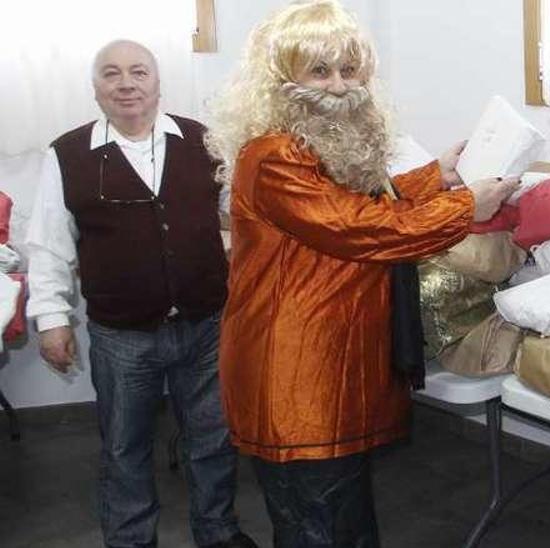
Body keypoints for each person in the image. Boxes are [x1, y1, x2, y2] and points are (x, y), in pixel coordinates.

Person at [204, 1, 517, 545]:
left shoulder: (315, 147)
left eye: (350, 70)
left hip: (329, 366)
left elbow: (363, 200)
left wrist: (434, 176)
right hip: (294, 373)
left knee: (345, 522)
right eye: (319, 71)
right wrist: (466, 207)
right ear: (282, 79)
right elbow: (358, 226)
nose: (340, 86)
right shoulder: (273, 155)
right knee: (316, 528)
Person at [26, 40, 256, 548]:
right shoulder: (67, 154)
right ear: (96, 88)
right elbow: (48, 244)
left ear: (157, 82)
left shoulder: (206, 141)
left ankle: (218, 532)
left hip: (206, 327)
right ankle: (130, 539)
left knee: (213, 441)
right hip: (122, 337)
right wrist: (52, 320)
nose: (126, 83)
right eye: (112, 73)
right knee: (125, 449)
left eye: (138, 72)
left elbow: (245, 213)